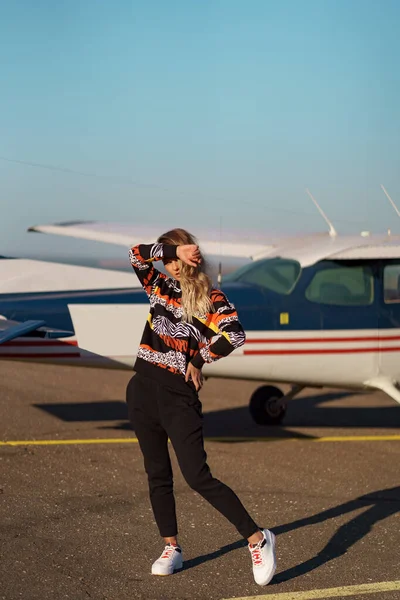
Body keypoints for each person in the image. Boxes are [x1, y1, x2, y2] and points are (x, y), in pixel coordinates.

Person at [126, 228, 276, 586]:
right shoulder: (158, 286)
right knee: (157, 474)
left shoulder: (211, 296)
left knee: (197, 476)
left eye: (175, 259)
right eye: (166, 259)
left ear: (190, 258)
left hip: (179, 398)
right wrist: (171, 249)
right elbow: (135, 254)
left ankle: (258, 538)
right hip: (142, 390)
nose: (169, 266)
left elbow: (235, 334)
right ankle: (171, 548)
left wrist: (199, 358)